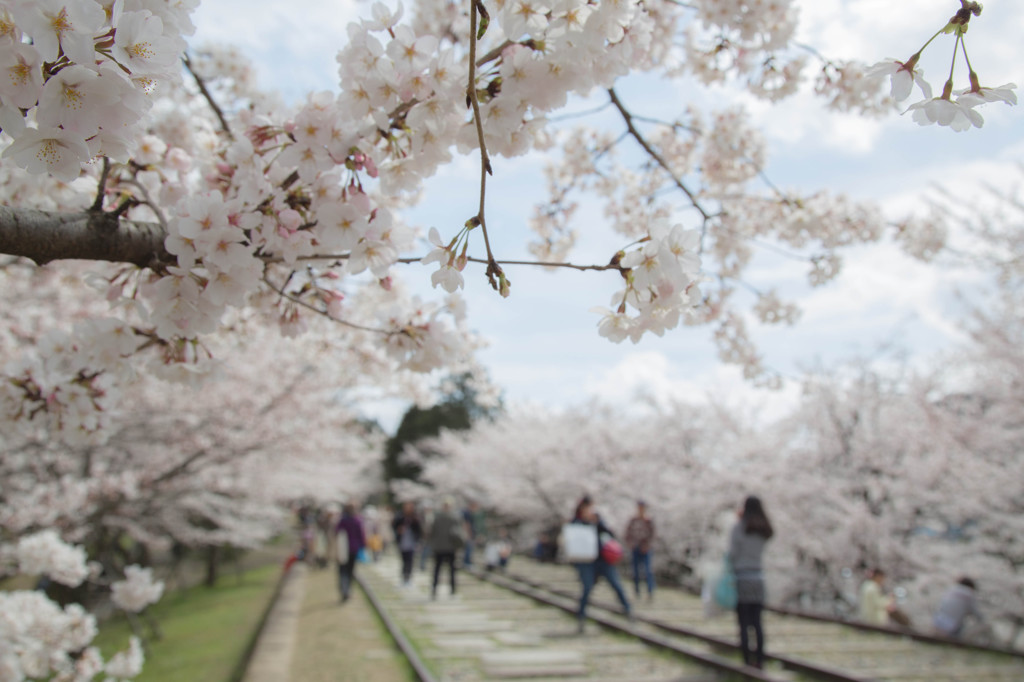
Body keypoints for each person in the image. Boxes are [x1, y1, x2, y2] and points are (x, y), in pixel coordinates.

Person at [570, 495, 631, 634]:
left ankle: (628, 611)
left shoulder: (597, 519)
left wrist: (597, 522)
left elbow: (609, 534)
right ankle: (581, 617)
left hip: (602, 559)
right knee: (586, 588)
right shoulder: (576, 521)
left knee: (616, 585)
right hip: (586, 561)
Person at [728, 495, 773, 669]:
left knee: (744, 622)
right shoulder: (763, 530)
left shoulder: (739, 528)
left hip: (742, 577)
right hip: (759, 577)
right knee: (757, 622)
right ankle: (760, 660)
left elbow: (732, 553)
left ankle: (747, 660)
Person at [427, 497, 463, 599]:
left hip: (441, 547)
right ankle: (451, 590)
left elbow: (431, 533)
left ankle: (435, 589)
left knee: (439, 569)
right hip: (449, 547)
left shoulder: (437, 518)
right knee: (449, 570)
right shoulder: (454, 517)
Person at [624, 500, 656, 600]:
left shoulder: (649, 521)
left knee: (647, 571)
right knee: (635, 571)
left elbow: (652, 535)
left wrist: (647, 546)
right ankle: (637, 591)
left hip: (645, 549)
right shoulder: (633, 520)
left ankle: (650, 591)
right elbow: (627, 533)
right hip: (635, 548)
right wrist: (630, 544)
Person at [335, 502, 366, 603]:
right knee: (350, 570)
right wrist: (362, 546)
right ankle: (347, 589)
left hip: (343, 549)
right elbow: (361, 535)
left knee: (343, 570)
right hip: (353, 548)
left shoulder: (343, 521)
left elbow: (337, 532)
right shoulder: (357, 521)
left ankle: (344, 589)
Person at [391, 501, 423, 586]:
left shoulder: (415, 517)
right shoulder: (400, 516)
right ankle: (403, 577)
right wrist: (399, 529)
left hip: (412, 541)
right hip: (402, 541)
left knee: (410, 560)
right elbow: (394, 525)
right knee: (404, 560)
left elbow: (419, 530)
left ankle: (408, 578)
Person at [462, 500, 485, 566]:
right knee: (468, 548)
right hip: (469, 534)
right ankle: (467, 562)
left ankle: (467, 561)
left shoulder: (469, 513)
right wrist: (469, 534)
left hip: (471, 533)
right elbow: (467, 524)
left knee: (470, 548)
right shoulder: (467, 513)